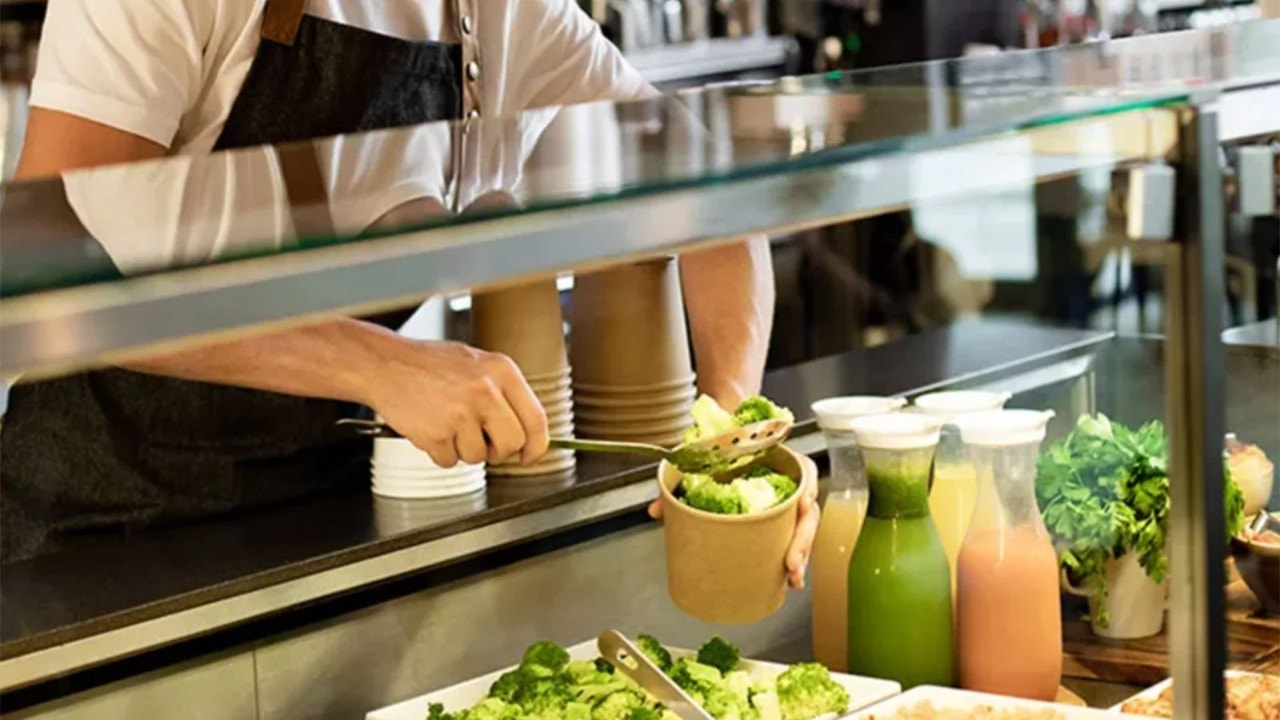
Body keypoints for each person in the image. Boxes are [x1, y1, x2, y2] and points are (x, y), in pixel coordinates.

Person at [5, 0, 816, 585]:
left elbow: (721, 205)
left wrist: (732, 433)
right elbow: (47, 270)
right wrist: (380, 364)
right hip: (86, 534)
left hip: (327, 522)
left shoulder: (507, 16)